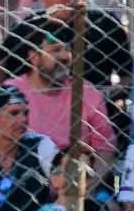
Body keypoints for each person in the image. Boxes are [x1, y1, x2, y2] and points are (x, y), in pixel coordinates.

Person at [8, 19, 113, 156]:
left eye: (68, 49)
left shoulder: (87, 93)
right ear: (34, 57)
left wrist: (93, 178)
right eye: (55, 50)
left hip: (74, 171)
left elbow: (105, 148)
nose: (64, 57)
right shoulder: (11, 92)